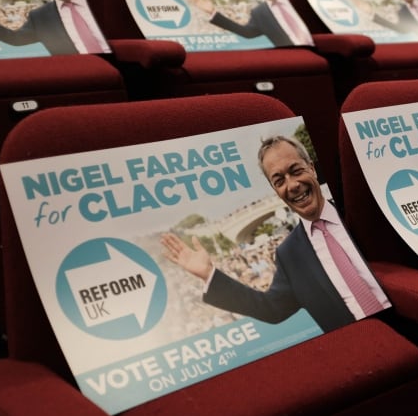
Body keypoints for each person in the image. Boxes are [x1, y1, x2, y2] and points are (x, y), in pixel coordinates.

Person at [162, 135, 390, 333]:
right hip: (362, 346)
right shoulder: (289, 254)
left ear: (311, 167)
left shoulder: (359, 209)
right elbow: (271, 309)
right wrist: (209, 275)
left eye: (296, 171)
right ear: (274, 190)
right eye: (279, 180)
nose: (291, 185)